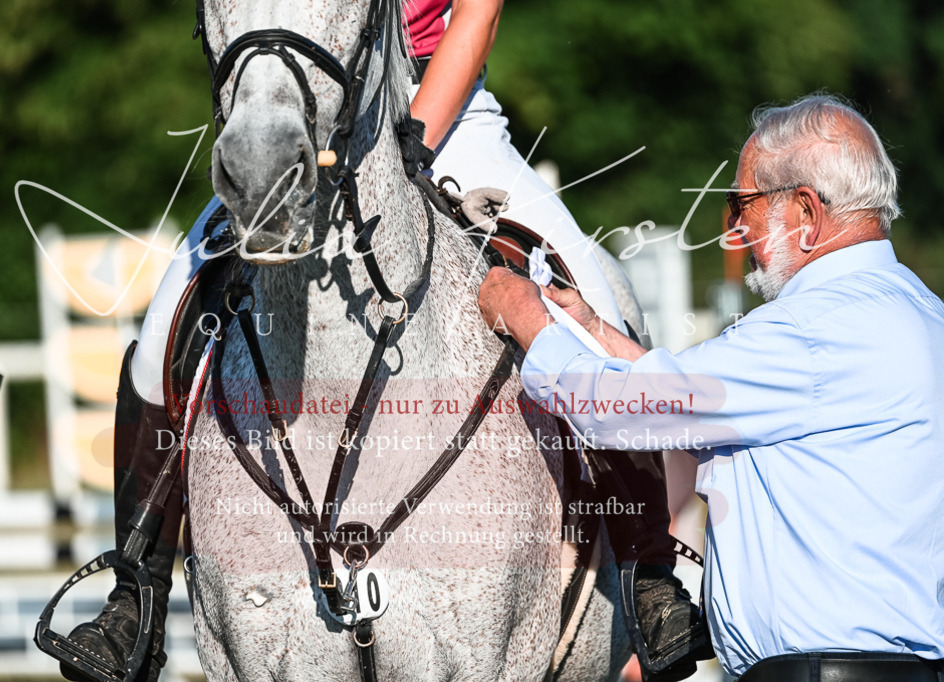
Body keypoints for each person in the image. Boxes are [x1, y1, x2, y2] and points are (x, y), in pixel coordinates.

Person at [62, 2, 696, 681]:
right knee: (164, 328)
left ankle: (648, 573)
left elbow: (474, 21)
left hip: (446, 117)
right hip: (305, 111)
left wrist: (413, 141)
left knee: (597, 299)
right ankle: (137, 596)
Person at [477, 93, 944, 681]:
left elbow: (623, 412)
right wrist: (596, 329)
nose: (733, 230)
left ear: (805, 212)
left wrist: (527, 317)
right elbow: (693, 402)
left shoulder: (810, 332)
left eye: (740, 203)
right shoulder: (923, 317)